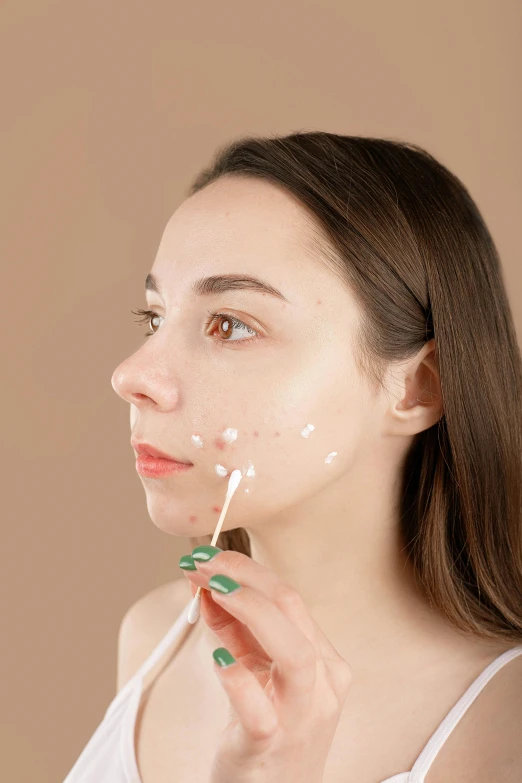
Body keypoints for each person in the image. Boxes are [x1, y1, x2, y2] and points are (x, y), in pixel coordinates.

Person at [64, 132, 522, 783]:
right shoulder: (156, 638)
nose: (132, 375)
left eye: (229, 323)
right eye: (154, 316)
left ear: (418, 388)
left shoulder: (504, 731)